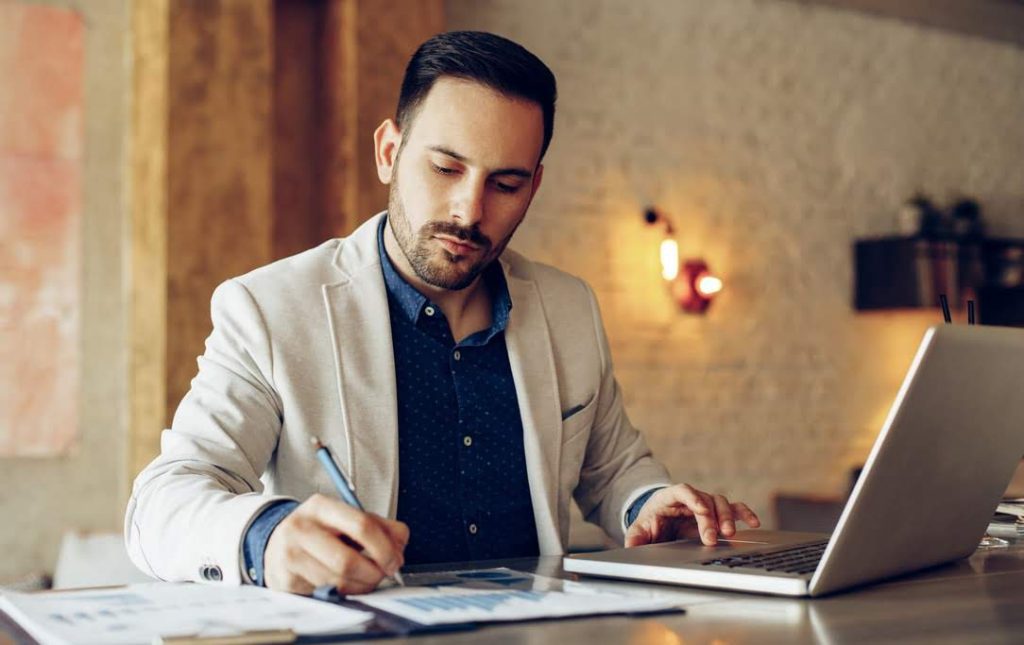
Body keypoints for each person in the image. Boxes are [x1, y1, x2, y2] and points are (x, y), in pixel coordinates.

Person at [125, 30, 759, 596]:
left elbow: (614, 467)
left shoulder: (570, 309)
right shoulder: (270, 309)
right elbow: (162, 502)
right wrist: (266, 537)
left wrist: (647, 504)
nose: (468, 209)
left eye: (504, 184)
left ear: (534, 186)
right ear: (388, 152)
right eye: (446, 166)